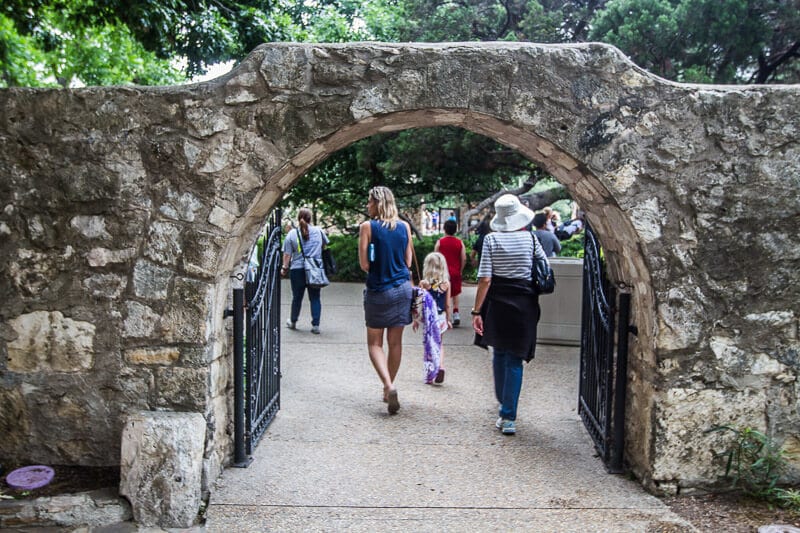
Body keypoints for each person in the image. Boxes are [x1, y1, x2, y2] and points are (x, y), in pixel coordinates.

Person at [471, 194, 549, 436]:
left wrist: (476, 310)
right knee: (515, 358)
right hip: (524, 303)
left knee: (499, 351)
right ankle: (508, 416)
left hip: (497, 302)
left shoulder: (491, 240)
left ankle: (503, 402)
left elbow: (485, 278)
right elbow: (545, 267)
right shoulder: (532, 240)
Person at [359, 186, 413, 415]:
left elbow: (364, 264)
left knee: (374, 343)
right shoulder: (405, 226)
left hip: (379, 289)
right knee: (396, 342)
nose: (367, 206)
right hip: (402, 289)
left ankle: (388, 385)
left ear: (377, 203)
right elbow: (408, 262)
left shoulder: (367, 227)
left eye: (369, 202)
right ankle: (387, 388)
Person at [281, 208, 329, 334]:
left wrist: (284, 268)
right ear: (310, 218)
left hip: (298, 269)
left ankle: (293, 321)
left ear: (298, 218)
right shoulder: (319, 231)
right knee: (315, 297)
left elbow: (287, 254)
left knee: (297, 297)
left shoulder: (292, 234)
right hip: (314, 269)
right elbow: (324, 245)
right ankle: (316, 325)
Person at [414, 252, 452, 384]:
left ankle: (431, 372)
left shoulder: (424, 283)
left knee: (429, 345)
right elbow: (447, 304)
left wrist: (416, 319)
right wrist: (448, 319)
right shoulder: (446, 284)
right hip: (441, 318)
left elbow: (419, 302)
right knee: (440, 344)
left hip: (429, 319)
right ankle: (440, 366)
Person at [434, 219, 467, 326]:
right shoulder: (459, 242)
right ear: (455, 230)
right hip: (455, 272)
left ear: (444, 229)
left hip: (442, 272)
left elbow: (435, 257)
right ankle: (456, 313)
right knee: (455, 293)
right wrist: (460, 270)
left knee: (442, 292)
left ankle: (443, 314)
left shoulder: (440, 242)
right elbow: (464, 258)